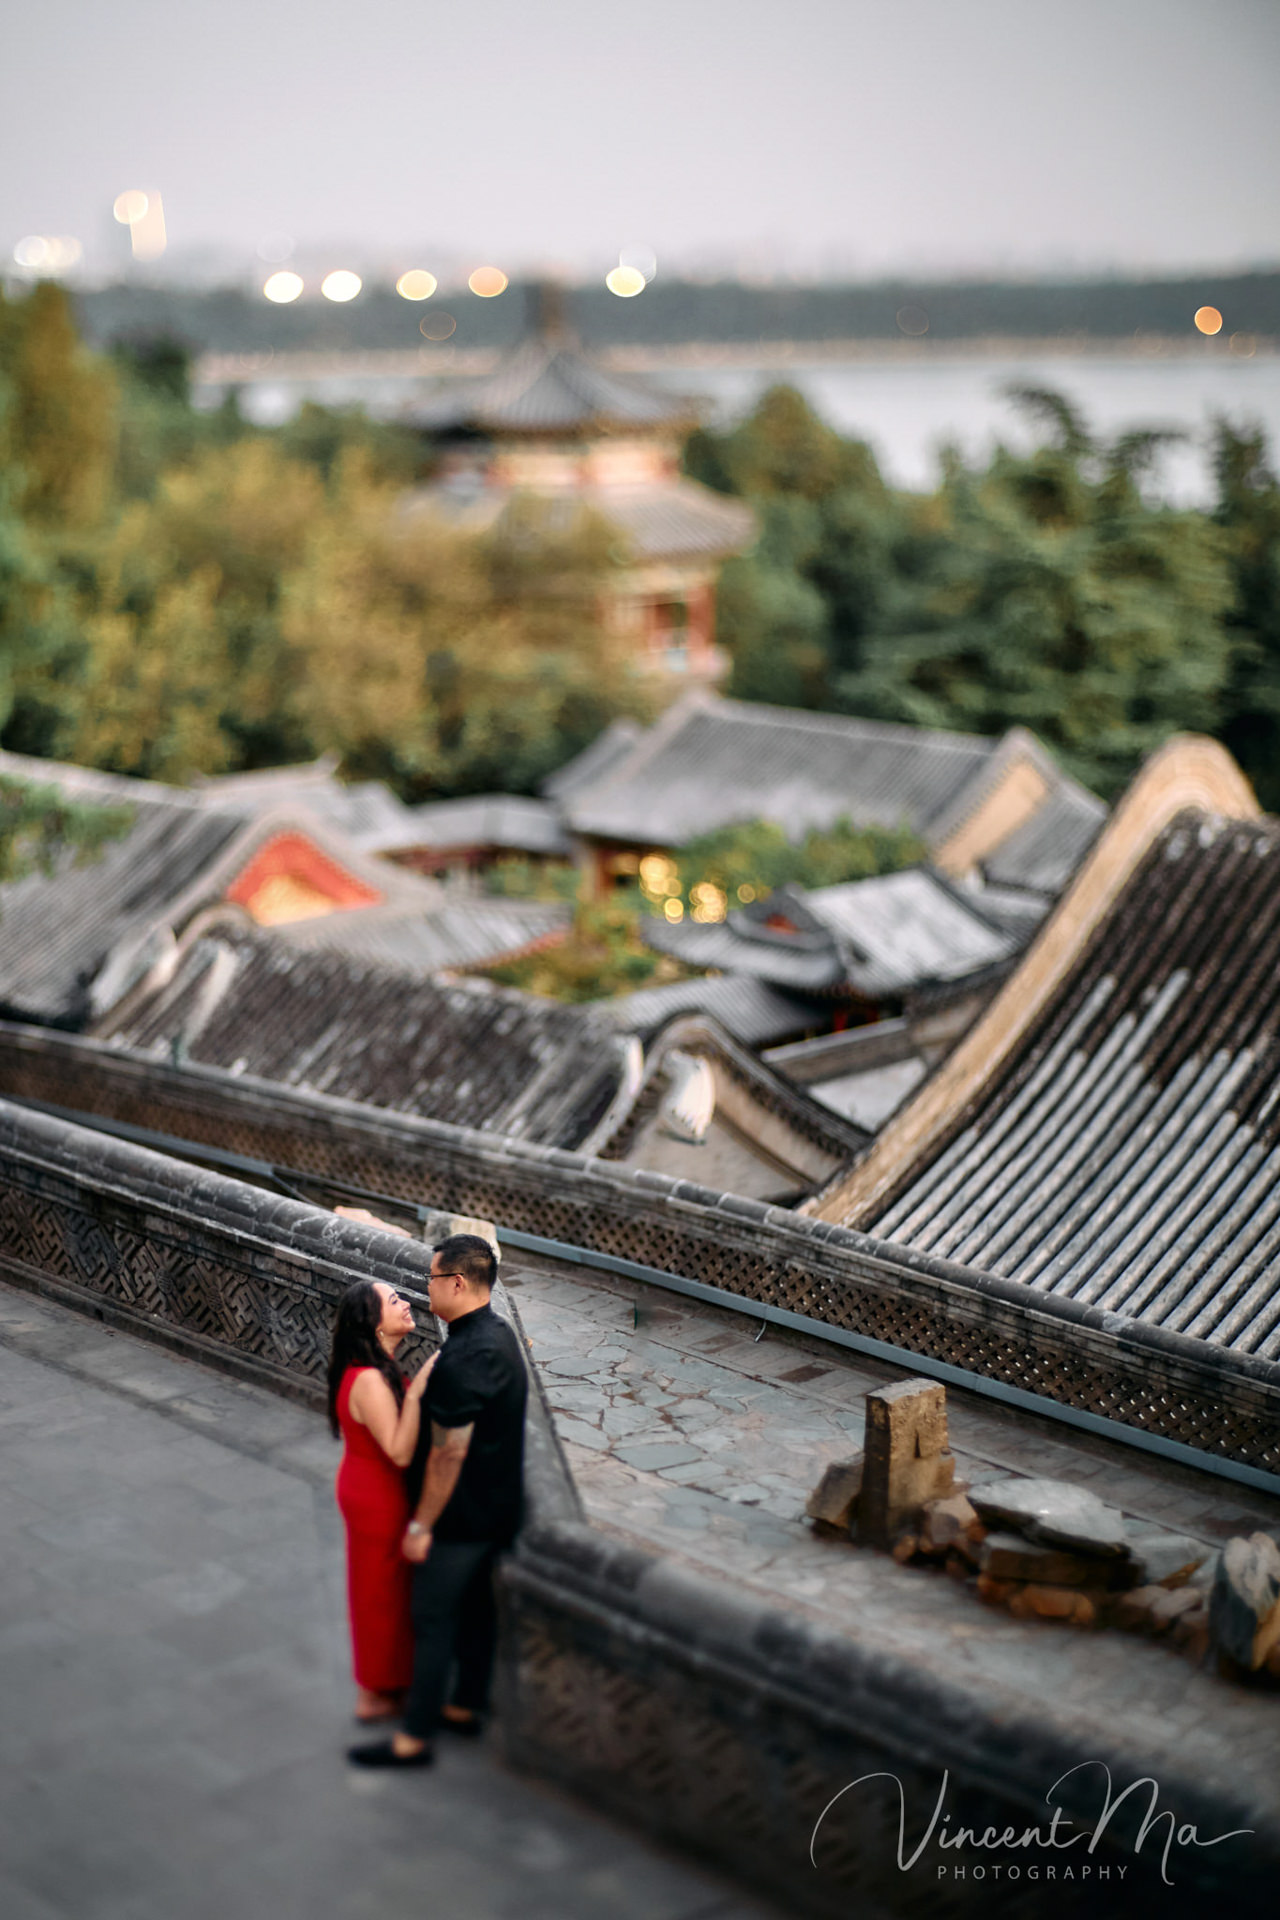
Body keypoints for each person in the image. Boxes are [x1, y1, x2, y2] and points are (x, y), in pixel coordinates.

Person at [347, 1233, 527, 1769]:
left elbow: (447, 1457)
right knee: (476, 1614)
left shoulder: (463, 1357)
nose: (424, 1290)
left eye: (429, 1279)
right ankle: (462, 1706)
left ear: (456, 1282)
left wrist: (422, 1525)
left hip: (462, 1517)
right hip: (499, 1507)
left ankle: (413, 1739)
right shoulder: (497, 1335)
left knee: (431, 1617)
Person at [328, 1278, 437, 1724]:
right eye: (395, 1301)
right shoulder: (370, 1379)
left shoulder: (377, 1367)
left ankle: (388, 1685)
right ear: (375, 1325)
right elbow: (397, 1448)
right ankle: (374, 1694)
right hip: (377, 1495)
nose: (406, 1303)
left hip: (375, 1487)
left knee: (386, 1591)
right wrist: (424, 1382)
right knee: (380, 1595)